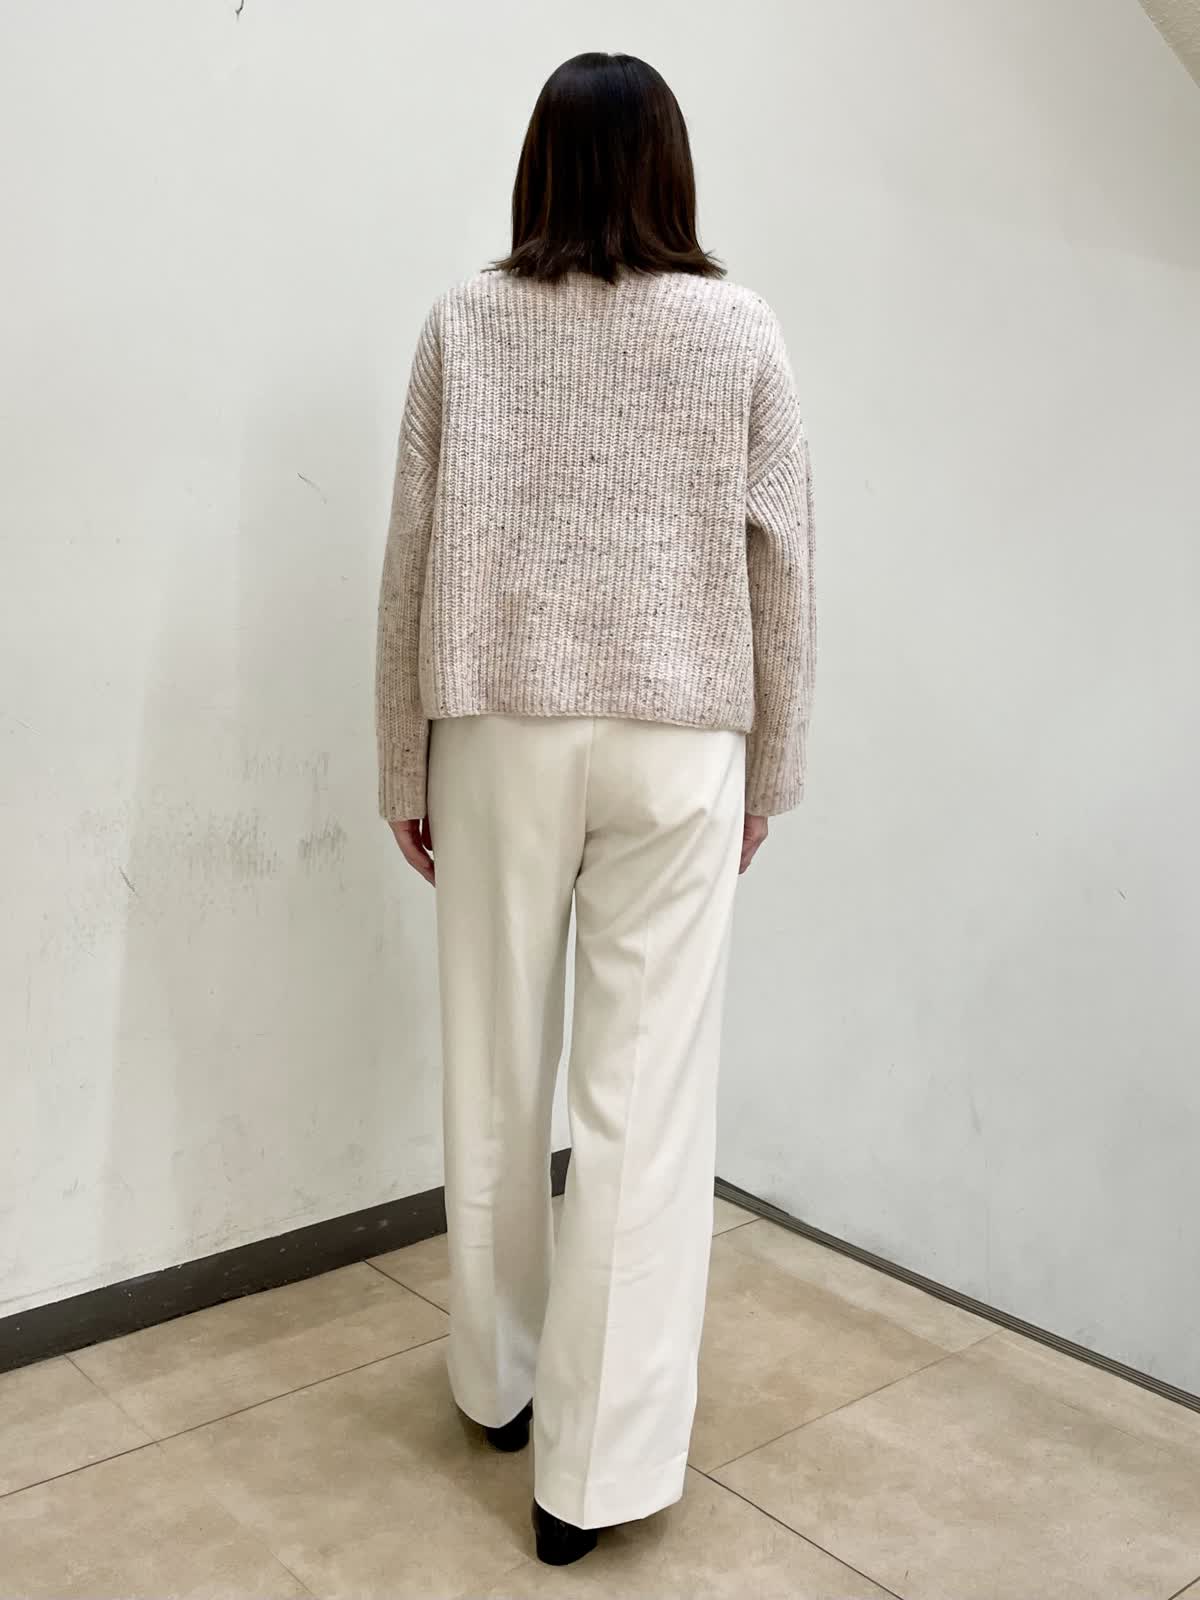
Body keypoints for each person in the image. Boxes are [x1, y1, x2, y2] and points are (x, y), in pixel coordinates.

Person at [375, 50, 816, 1568]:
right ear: (672, 172)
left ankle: (499, 1384)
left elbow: (411, 552)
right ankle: (592, 1476)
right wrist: (772, 767)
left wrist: (402, 760)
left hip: (497, 723)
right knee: (644, 1100)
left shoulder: (465, 321)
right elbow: (784, 565)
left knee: (497, 1061)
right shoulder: (739, 329)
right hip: (680, 737)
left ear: (538, 168)